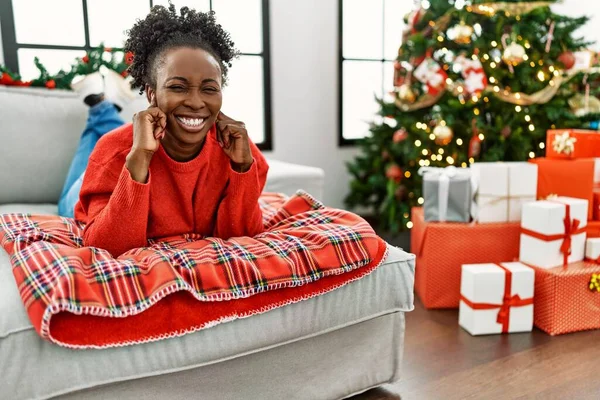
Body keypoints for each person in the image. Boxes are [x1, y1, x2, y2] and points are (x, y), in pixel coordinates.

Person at [74, 4, 269, 257]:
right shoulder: (113, 151)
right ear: (152, 94)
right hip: (88, 187)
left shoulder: (240, 151)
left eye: (209, 89)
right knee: (99, 139)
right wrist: (140, 157)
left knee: (118, 130)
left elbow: (242, 237)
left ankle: (105, 108)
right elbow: (107, 247)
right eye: (178, 87)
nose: (196, 102)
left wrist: (242, 169)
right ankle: (101, 109)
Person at [58, 69, 133, 218]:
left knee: (66, 204)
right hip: (83, 204)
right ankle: (102, 107)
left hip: (76, 206)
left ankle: (101, 106)